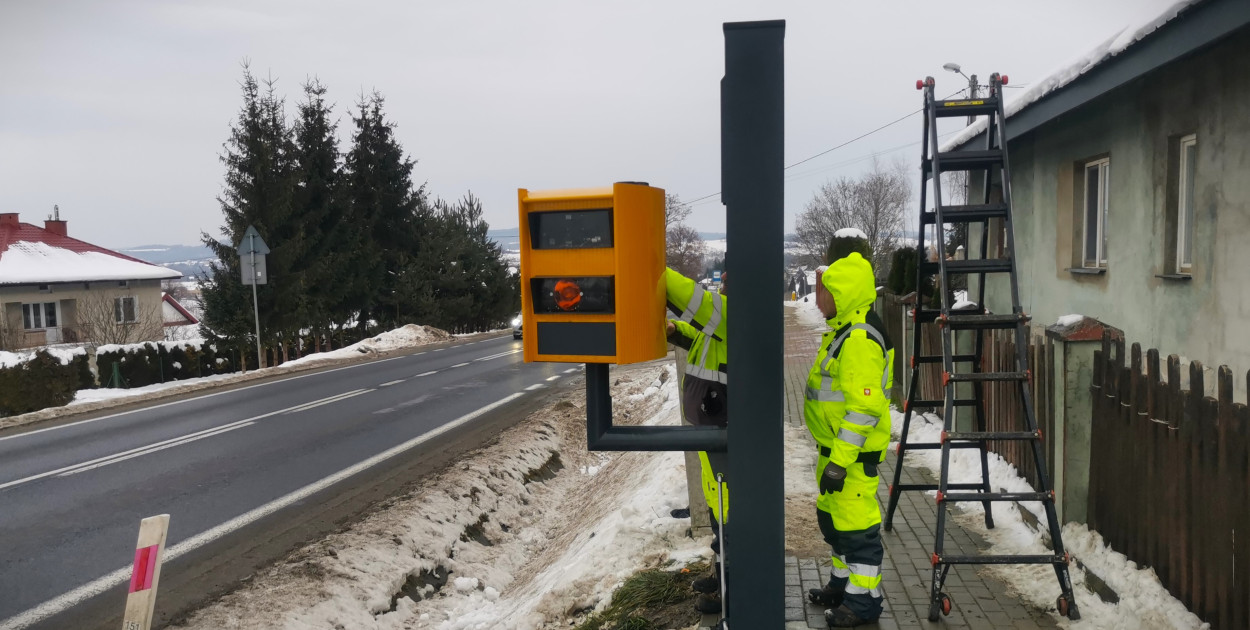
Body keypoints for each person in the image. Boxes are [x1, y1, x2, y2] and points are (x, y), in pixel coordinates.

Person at [803, 251, 893, 627]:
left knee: (858, 534)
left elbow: (863, 410)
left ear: (844, 293)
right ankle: (842, 586)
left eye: (825, 291)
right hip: (835, 455)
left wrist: (840, 461)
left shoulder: (857, 340)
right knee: (834, 524)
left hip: (850, 461)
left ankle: (863, 603)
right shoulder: (843, 332)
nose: (818, 297)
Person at [664, 268, 728, 615]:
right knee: (719, 513)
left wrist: (650, 267)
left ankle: (732, 601)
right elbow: (702, 335)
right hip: (711, 430)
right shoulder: (721, 323)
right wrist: (677, 331)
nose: (726, 281)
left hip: (723, 430)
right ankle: (722, 578)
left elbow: (696, 302)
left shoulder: (735, 313)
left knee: (732, 520)